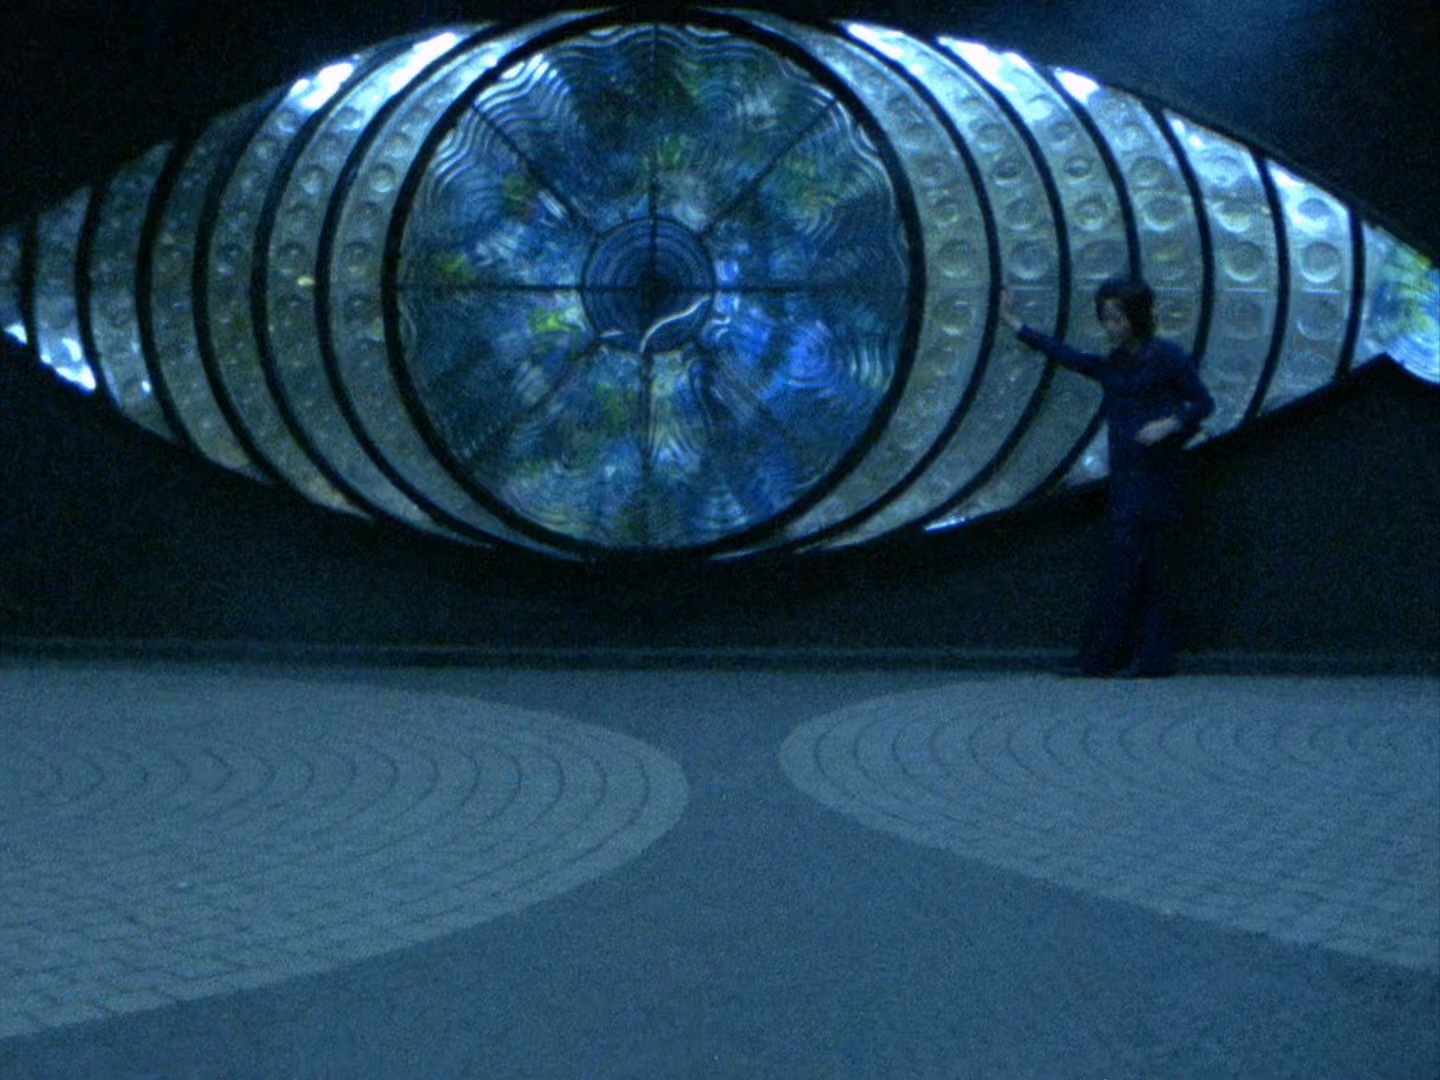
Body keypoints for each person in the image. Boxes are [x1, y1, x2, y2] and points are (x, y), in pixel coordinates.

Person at [1000, 277, 1215, 677]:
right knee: (1124, 571)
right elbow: (1071, 357)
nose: (1110, 326)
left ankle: (1143, 658)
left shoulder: (1165, 357)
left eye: (1117, 318)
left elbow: (1203, 402)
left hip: (1159, 477)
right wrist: (1015, 324)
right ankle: (1107, 657)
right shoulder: (1116, 363)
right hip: (1129, 479)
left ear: (1136, 316)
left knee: (1149, 572)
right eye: (1106, 318)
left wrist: (1170, 423)